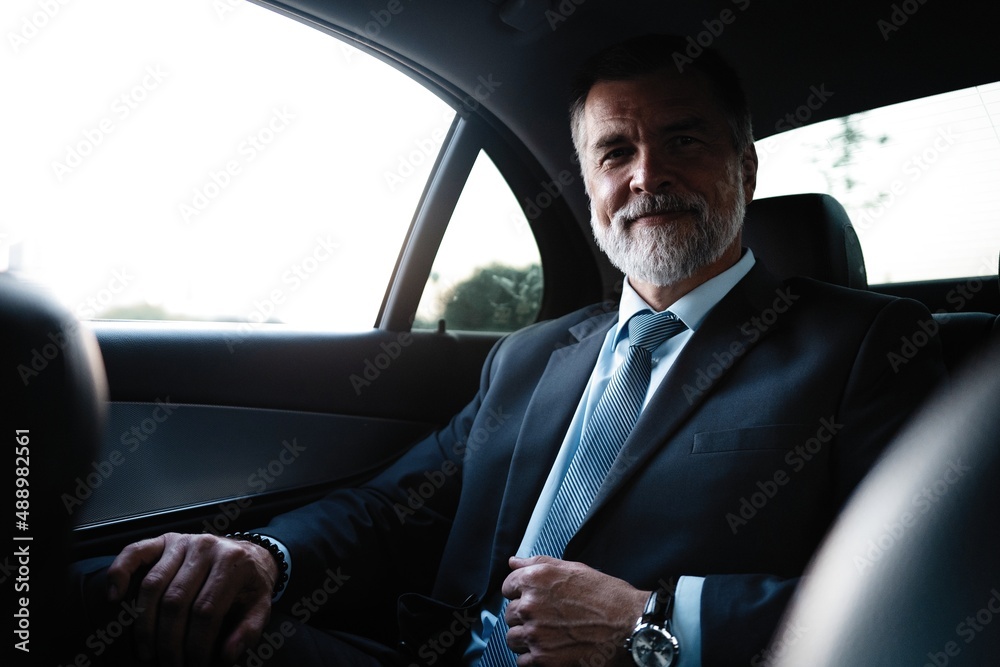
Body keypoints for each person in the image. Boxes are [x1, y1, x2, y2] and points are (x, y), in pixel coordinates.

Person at [69, 34, 945, 667]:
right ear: (593, 184)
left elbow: (921, 593)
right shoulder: (531, 358)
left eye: (683, 140)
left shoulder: (866, 346)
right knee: (124, 606)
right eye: (615, 152)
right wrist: (263, 555)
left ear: (744, 169)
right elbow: (389, 507)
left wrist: (653, 622)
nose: (647, 175)